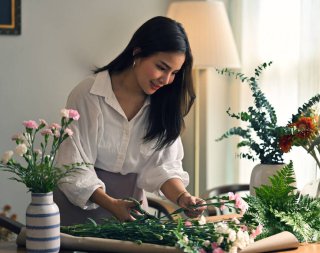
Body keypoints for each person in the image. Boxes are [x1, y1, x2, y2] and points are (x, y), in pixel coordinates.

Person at [54, 16, 206, 226]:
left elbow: (163, 167)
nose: (166, 80)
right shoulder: (88, 94)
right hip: (81, 209)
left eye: (174, 73)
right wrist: (111, 203)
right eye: (162, 67)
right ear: (137, 52)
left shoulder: (163, 106)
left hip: (130, 214)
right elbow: (72, 165)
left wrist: (183, 198)